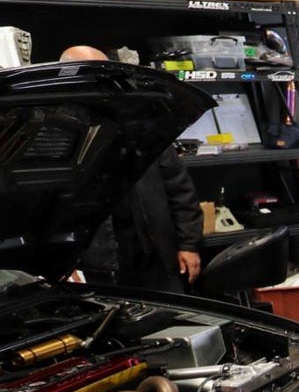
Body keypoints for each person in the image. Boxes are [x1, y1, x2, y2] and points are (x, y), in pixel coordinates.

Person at [65, 45, 204, 293]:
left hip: (157, 258)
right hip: (97, 267)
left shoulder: (142, 127)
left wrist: (189, 245)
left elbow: (180, 190)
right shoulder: (58, 133)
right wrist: (62, 264)